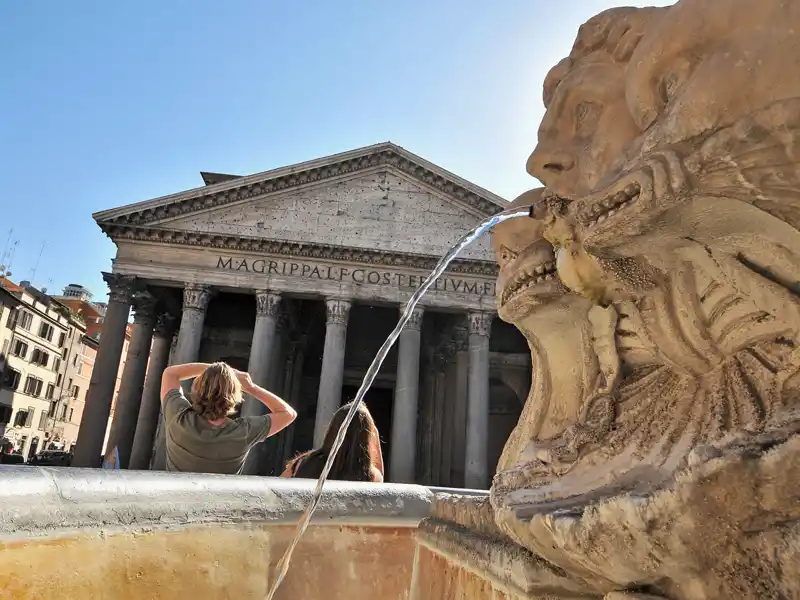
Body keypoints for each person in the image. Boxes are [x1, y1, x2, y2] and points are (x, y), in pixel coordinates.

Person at [160, 361, 297, 474]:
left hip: (173, 503)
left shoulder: (178, 417)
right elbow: (288, 413)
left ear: (196, 389)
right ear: (235, 397)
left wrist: (217, 371)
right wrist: (250, 387)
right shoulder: (243, 433)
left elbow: (170, 373)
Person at [280, 401, 384, 482]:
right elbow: (380, 482)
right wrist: (375, 434)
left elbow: (276, 488)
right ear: (367, 437)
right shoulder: (369, 476)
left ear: (332, 429)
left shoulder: (303, 463)